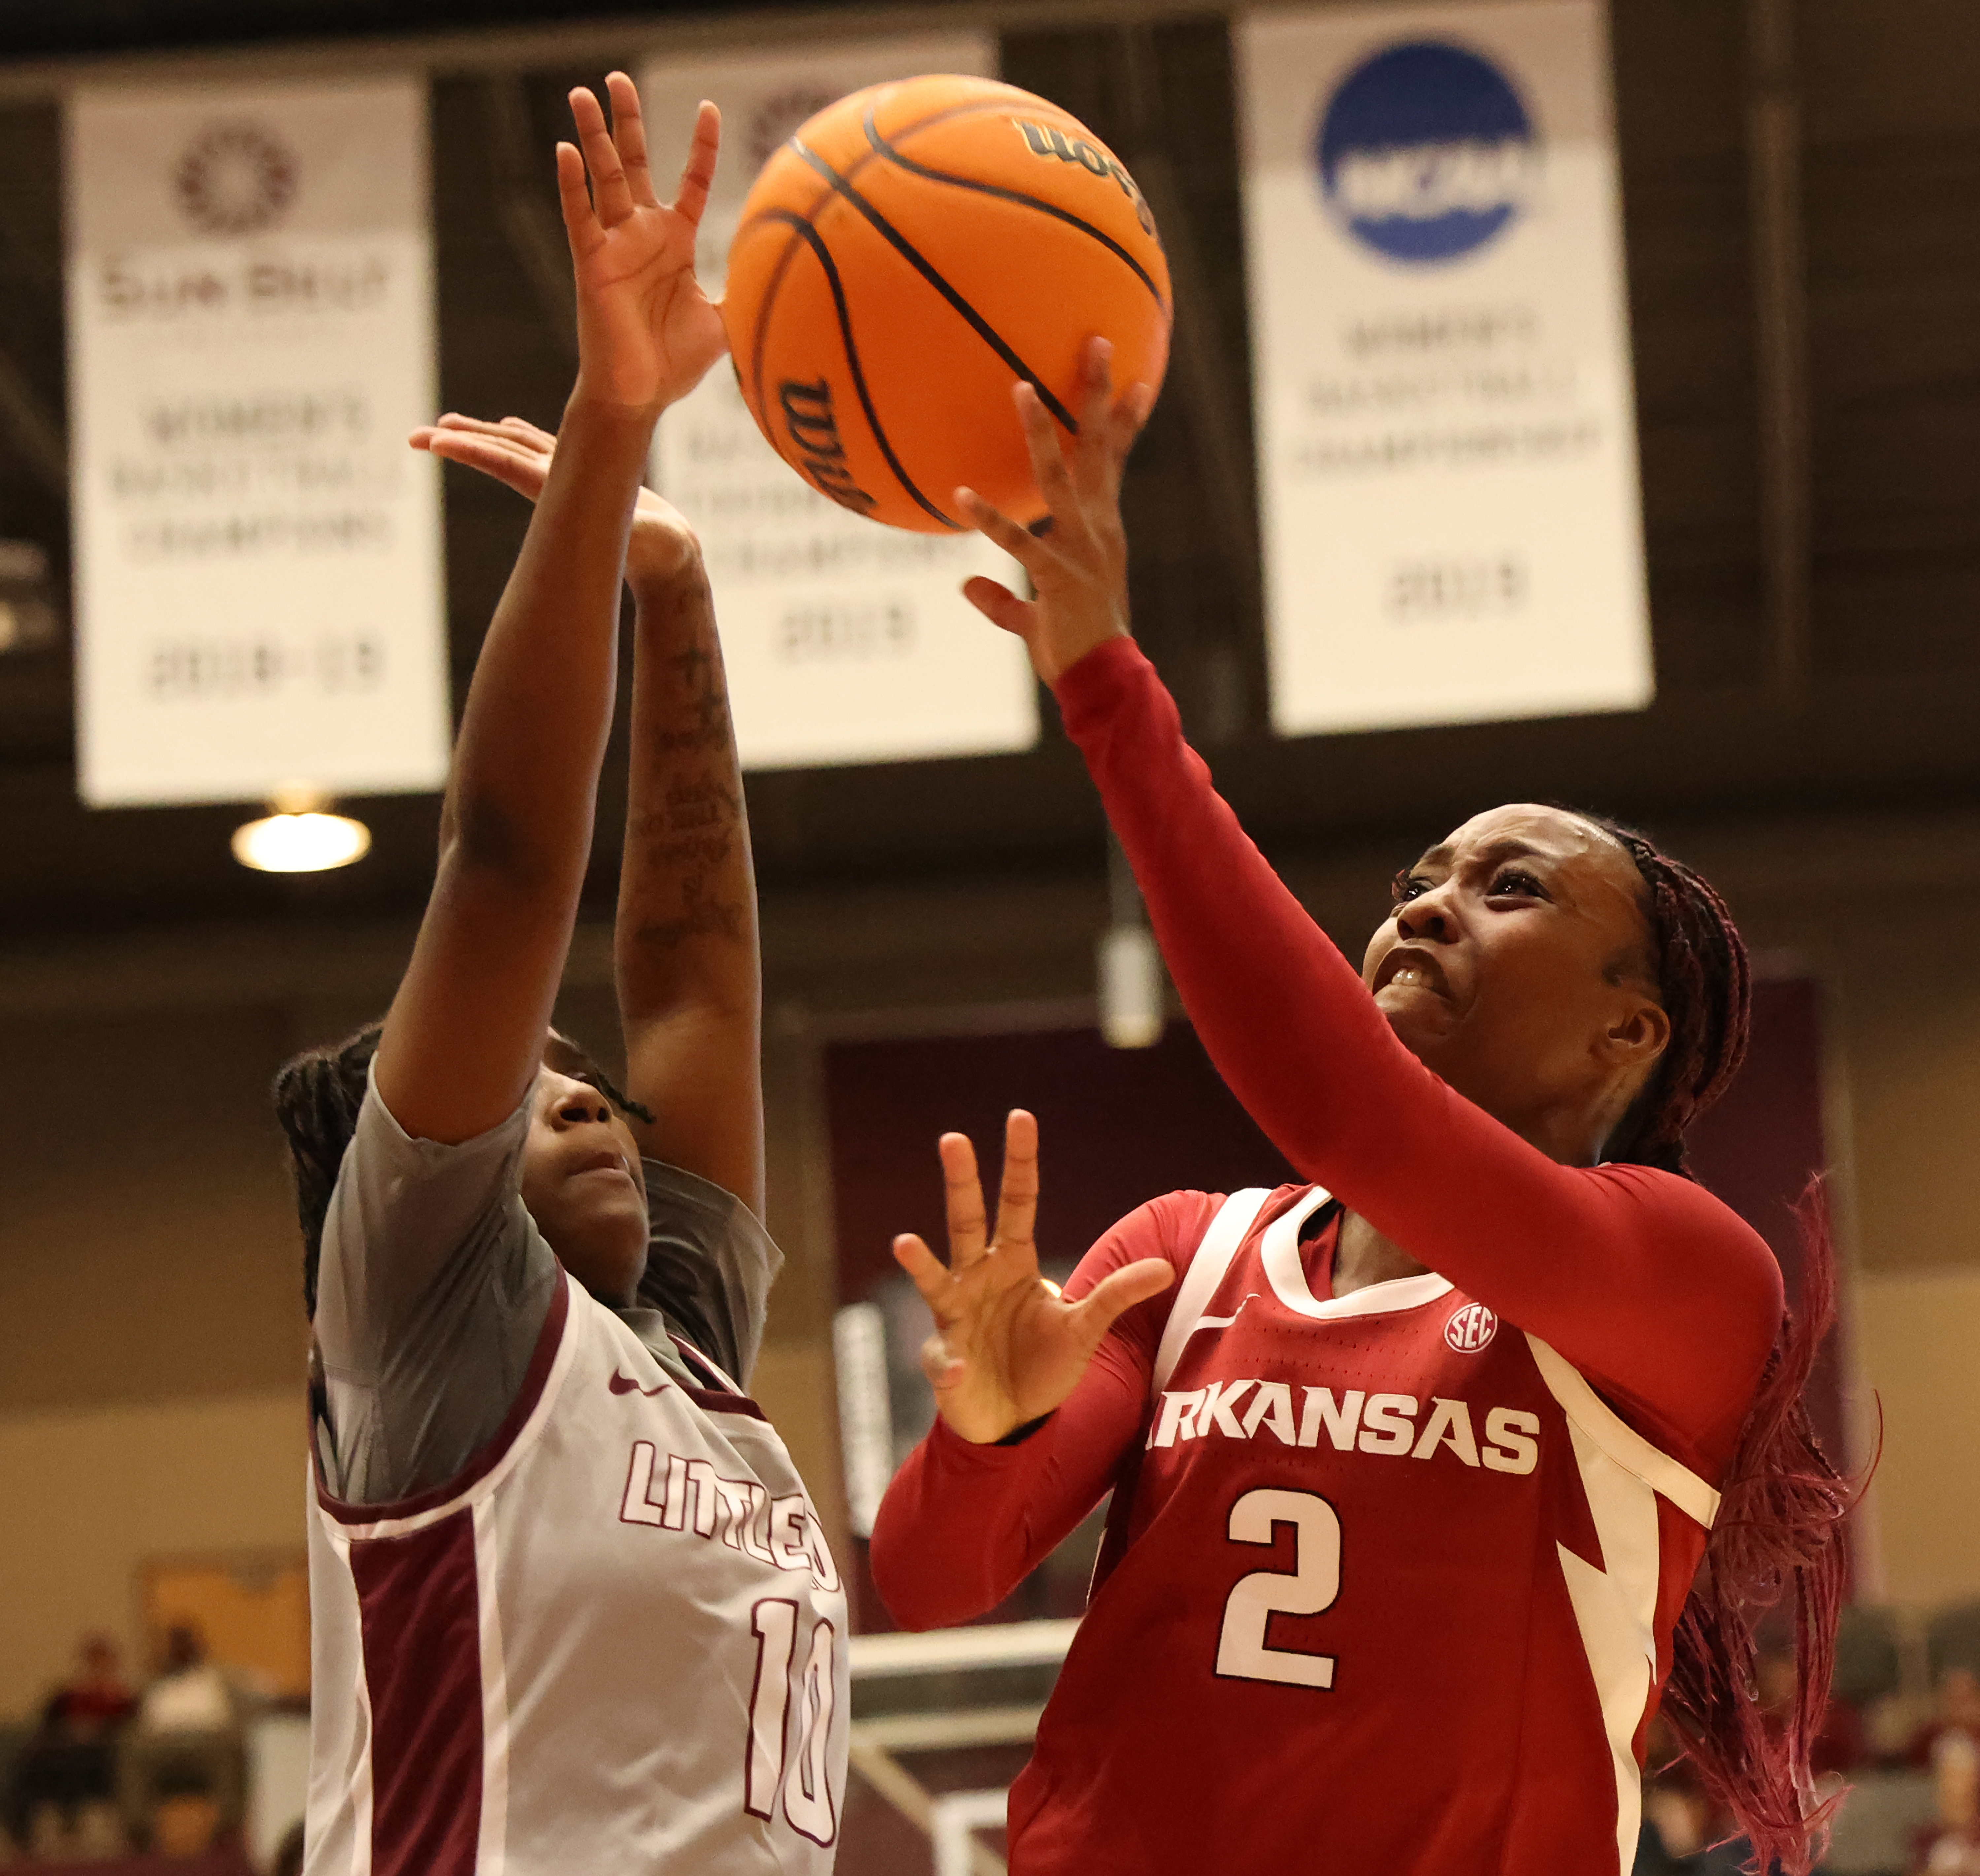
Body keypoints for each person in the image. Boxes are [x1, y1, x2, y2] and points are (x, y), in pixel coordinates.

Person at [868, 344, 1851, 1876]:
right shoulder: (1181, 1255)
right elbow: (927, 1581)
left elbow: (1345, 1110)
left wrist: (1106, 691)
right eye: (1414, 885)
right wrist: (984, 1438)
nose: (1428, 908)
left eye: (1505, 889)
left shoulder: (1680, 1280)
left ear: (1627, 1030)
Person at [271, 75, 843, 1875]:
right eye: (532, 1083)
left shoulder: (681, 1348)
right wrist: (610, 435)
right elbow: (510, 870)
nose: (588, 1088)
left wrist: (680, 592)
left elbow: (696, 978)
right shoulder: (428, 1324)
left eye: (588, 1077)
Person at [5, 1633, 135, 1852]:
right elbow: (46, 1727)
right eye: (92, 1662)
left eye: (103, 1662)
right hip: (59, 1757)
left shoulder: (123, 1701)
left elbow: (129, 1733)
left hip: (99, 1760)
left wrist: (97, 1731)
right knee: (31, 1763)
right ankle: (21, 1836)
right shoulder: (66, 1698)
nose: (97, 1669)